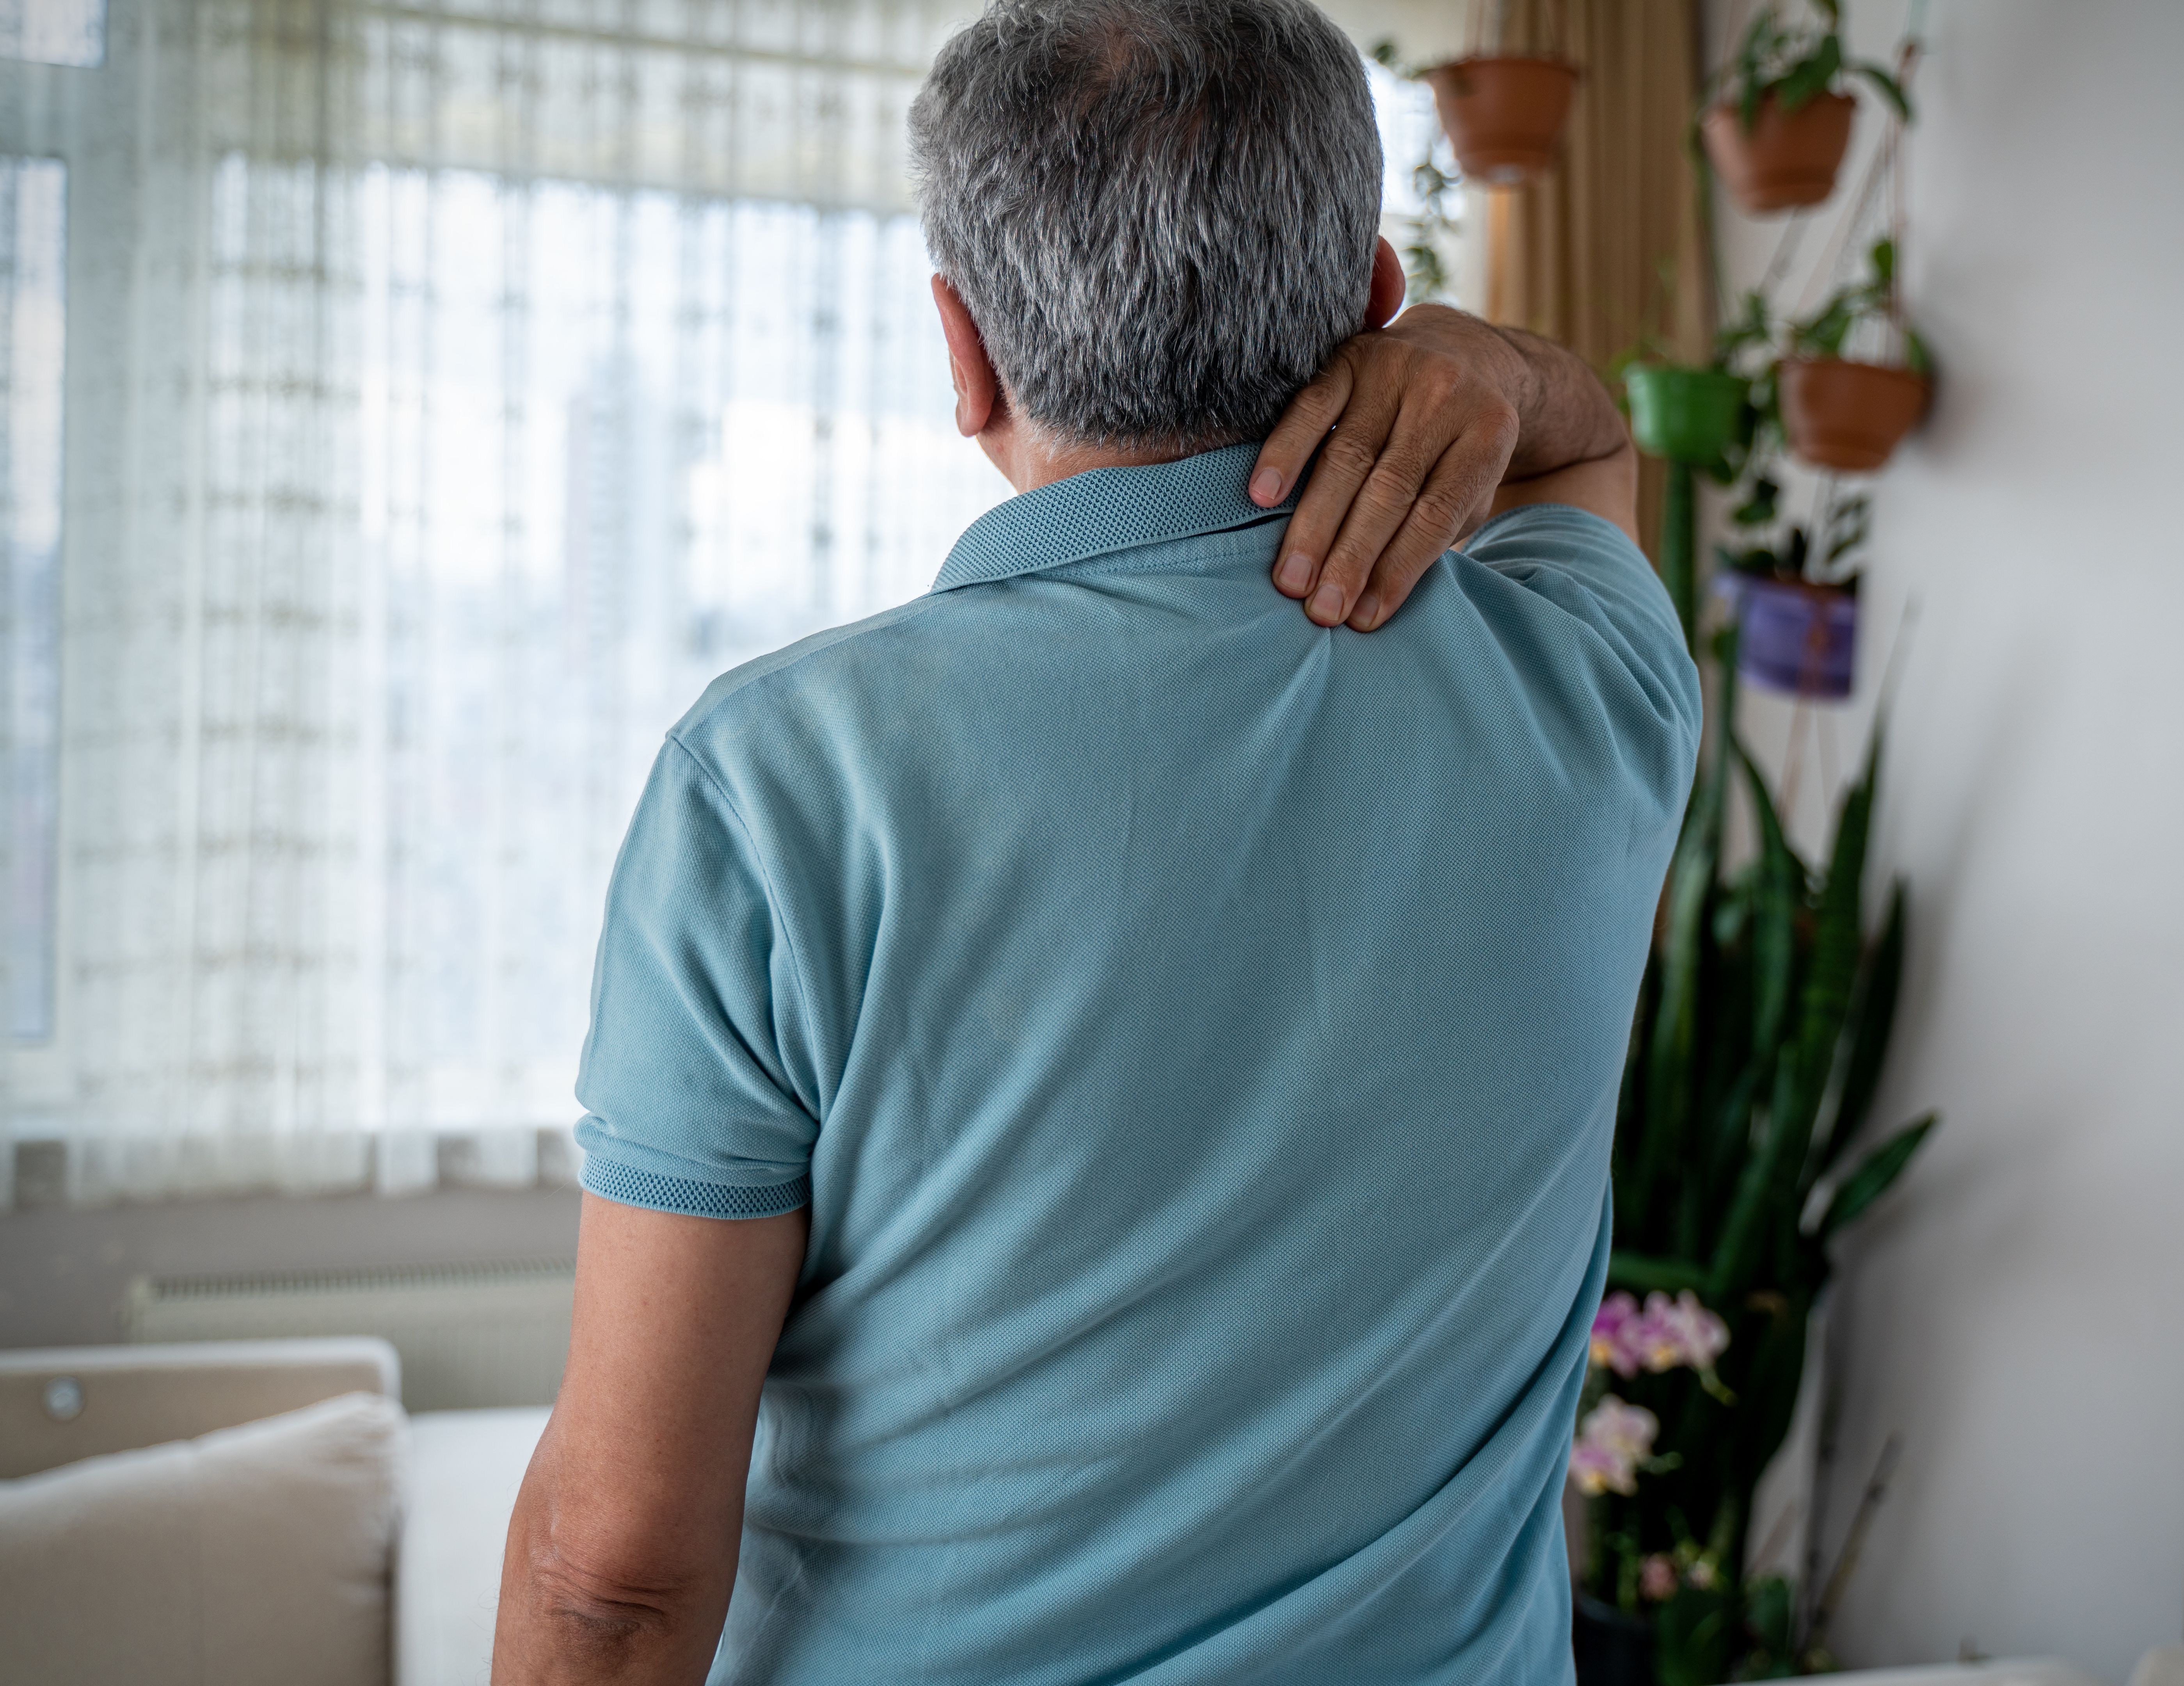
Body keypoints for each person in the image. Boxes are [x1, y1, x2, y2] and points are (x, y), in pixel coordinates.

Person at [490, 1, 1701, 1681]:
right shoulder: (1593, 681)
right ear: (1370, 300)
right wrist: (1488, 365)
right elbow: (1589, 444)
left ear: (961, 348)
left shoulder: (776, 781)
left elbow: (613, 1572)